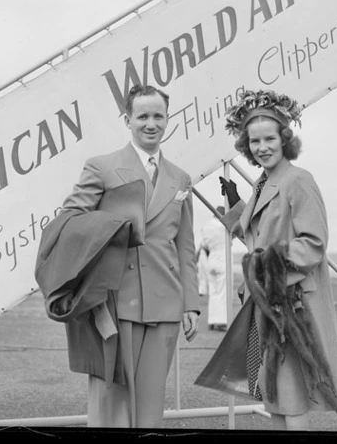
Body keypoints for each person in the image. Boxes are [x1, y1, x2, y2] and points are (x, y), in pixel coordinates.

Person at [194, 89, 337, 431]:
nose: (262, 147)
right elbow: (260, 238)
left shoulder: (298, 180)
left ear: (285, 140)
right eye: (254, 141)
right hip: (270, 303)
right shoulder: (265, 183)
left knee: (292, 399)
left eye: (269, 139)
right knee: (277, 399)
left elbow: (314, 243)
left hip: (293, 306)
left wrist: (266, 266)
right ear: (245, 145)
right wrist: (238, 207)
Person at [59, 84, 200, 428]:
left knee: (150, 408)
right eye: (143, 116)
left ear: (168, 120)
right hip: (114, 302)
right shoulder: (102, 167)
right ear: (127, 120)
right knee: (111, 405)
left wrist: (191, 304)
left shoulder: (180, 178)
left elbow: (185, 246)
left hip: (165, 302)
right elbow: (71, 224)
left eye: (158, 116)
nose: (150, 124)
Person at [199, 206, 228, 331]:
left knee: (213, 291)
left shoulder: (206, 227)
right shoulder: (223, 227)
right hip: (223, 258)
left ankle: (212, 319)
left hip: (211, 258)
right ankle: (220, 320)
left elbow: (203, 245)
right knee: (222, 290)